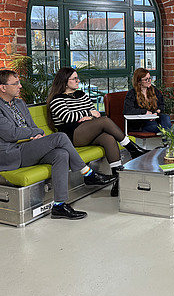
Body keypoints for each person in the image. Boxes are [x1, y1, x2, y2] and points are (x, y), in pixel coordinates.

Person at [0, 69, 113, 220]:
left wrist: (36, 133)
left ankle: (59, 205)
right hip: (11, 154)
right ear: (3, 87)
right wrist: (32, 133)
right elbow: (10, 134)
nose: (20, 86)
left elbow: (34, 127)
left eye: (19, 82)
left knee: (61, 154)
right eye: (15, 83)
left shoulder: (19, 103)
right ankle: (88, 173)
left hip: (29, 146)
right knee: (60, 137)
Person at [47, 67, 148, 197]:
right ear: (65, 81)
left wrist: (87, 116)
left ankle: (117, 181)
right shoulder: (57, 99)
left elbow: (96, 113)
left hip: (86, 130)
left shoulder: (81, 94)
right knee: (105, 121)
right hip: (71, 136)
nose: (78, 81)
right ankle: (131, 148)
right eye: (75, 79)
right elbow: (68, 118)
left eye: (77, 78)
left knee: (108, 138)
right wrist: (87, 114)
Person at [123, 68, 172, 134]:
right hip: (141, 123)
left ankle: (167, 143)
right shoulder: (132, 94)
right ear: (139, 81)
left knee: (166, 118)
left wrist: (157, 111)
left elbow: (162, 104)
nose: (149, 81)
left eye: (150, 78)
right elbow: (128, 110)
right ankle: (168, 142)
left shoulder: (154, 90)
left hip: (154, 118)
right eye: (146, 79)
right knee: (162, 128)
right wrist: (145, 112)